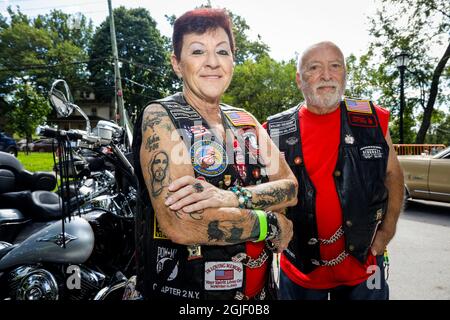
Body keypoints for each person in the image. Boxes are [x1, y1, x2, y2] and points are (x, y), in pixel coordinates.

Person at [132, 8, 298, 300]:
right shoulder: (161, 116)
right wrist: (269, 223)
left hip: (259, 293)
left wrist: (232, 198)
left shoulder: (245, 120)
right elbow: (183, 223)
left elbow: (291, 187)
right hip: (189, 294)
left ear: (233, 60)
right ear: (177, 63)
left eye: (222, 51)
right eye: (197, 51)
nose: (212, 63)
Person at [265, 41, 404, 300]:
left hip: (365, 268)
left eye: (335, 66)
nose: (326, 75)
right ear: (299, 79)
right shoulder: (273, 129)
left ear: (345, 74)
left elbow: (393, 176)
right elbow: (266, 193)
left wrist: (387, 230)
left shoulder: (373, 119)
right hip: (299, 272)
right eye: (314, 67)